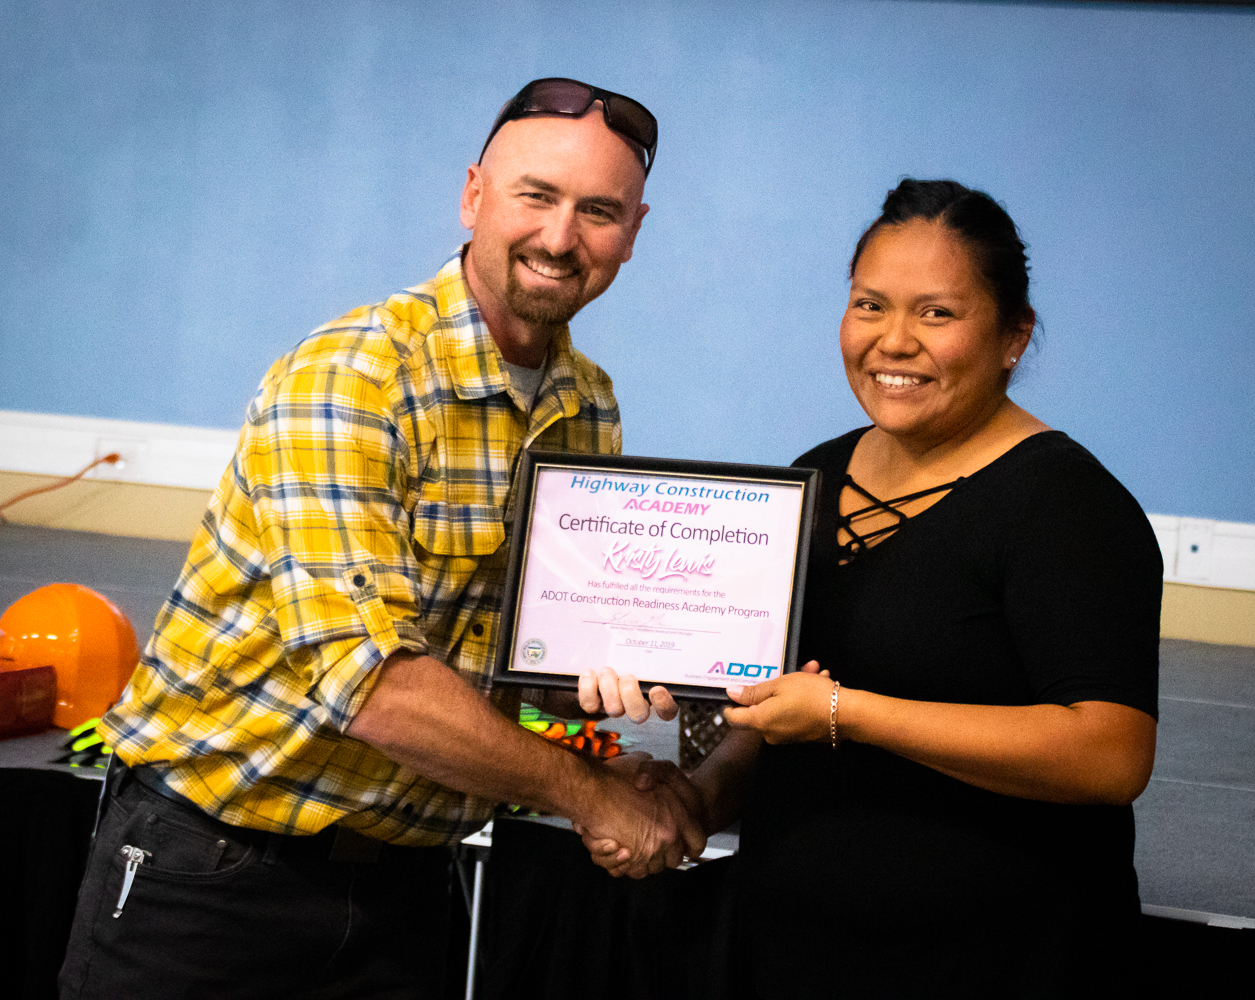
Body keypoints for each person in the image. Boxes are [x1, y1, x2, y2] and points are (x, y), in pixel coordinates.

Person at [59, 78, 705, 1000]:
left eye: (597, 211)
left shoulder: (583, 404)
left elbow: (509, 671)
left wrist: (610, 711)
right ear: (473, 194)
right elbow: (374, 689)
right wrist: (592, 797)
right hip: (210, 878)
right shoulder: (354, 375)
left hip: (407, 884)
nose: (561, 238)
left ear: (632, 232)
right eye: (536, 196)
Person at [581, 179, 1161, 998]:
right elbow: (773, 709)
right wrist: (694, 801)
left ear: (1012, 336)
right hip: (791, 950)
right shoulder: (812, 476)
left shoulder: (1066, 505)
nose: (893, 341)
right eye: (869, 305)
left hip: (998, 959)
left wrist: (843, 715)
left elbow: (1109, 753)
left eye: (936, 313)